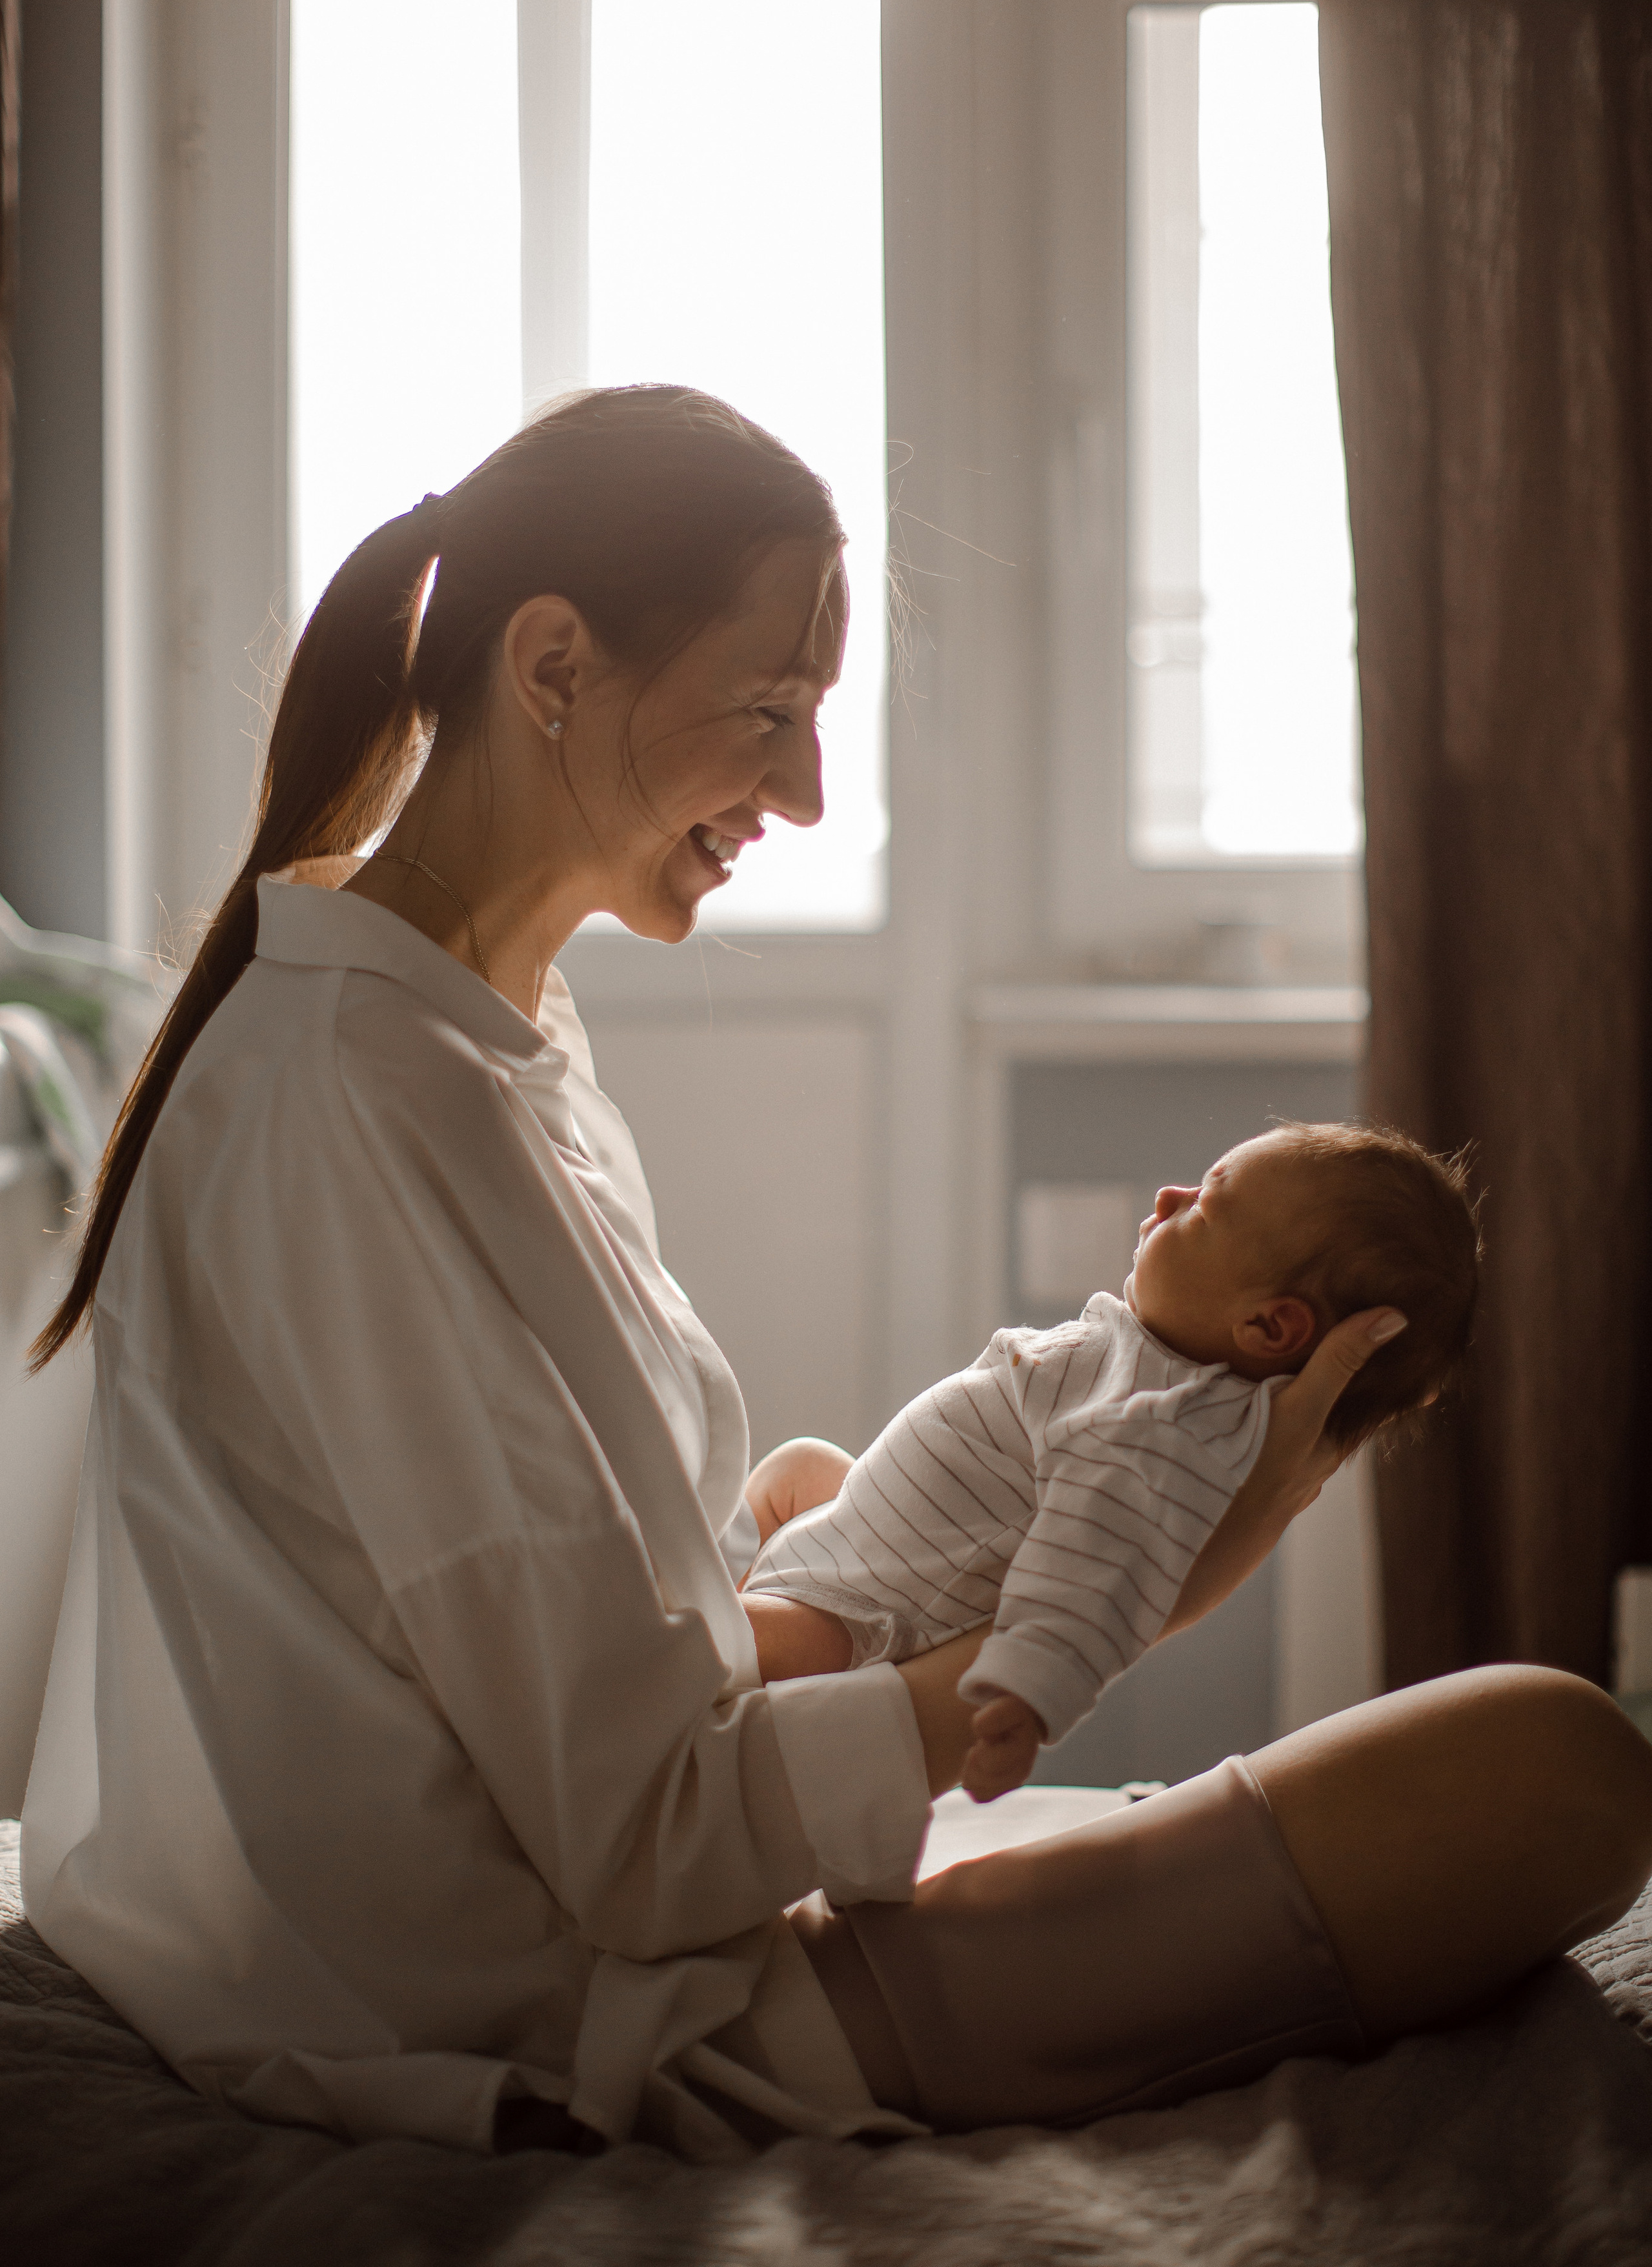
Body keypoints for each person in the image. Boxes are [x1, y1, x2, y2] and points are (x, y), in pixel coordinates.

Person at [19, 388, 1652, 2158]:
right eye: (772, 709)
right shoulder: (354, 1104)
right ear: (552, 664)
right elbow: (642, 1846)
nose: (802, 786)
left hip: (576, 1914)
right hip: (558, 2006)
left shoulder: (479, 1040)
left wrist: (856, 1562)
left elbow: (540, 1653)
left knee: (1522, 1759)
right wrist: (1156, 1589)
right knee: (1556, 1777)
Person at [741, 1122, 1479, 1802]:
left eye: (1203, 1208)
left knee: (726, 1638)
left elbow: (1094, 1563)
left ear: (1266, 1324)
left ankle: (715, 1600)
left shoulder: (1157, 1422)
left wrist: (1026, 1696)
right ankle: (739, 1570)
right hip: (856, 1537)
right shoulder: (1156, 1375)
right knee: (803, 1465)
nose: (1169, 1196)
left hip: (859, 1613)